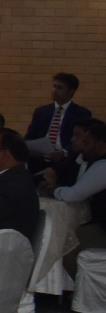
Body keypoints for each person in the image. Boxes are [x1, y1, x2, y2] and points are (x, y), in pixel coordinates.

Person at [42, 118, 106, 276]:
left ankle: (76, 286)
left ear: (100, 145)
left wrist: (51, 189)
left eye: (88, 143)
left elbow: (73, 195)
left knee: (67, 242)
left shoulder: (102, 166)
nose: (85, 147)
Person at [27, 73, 92, 168]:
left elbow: (82, 141)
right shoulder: (41, 111)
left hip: (65, 161)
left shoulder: (81, 113)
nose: (54, 90)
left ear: (71, 91)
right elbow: (31, 135)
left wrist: (64, 152)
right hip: (39, 159)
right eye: (54, 86)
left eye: (59, 88)